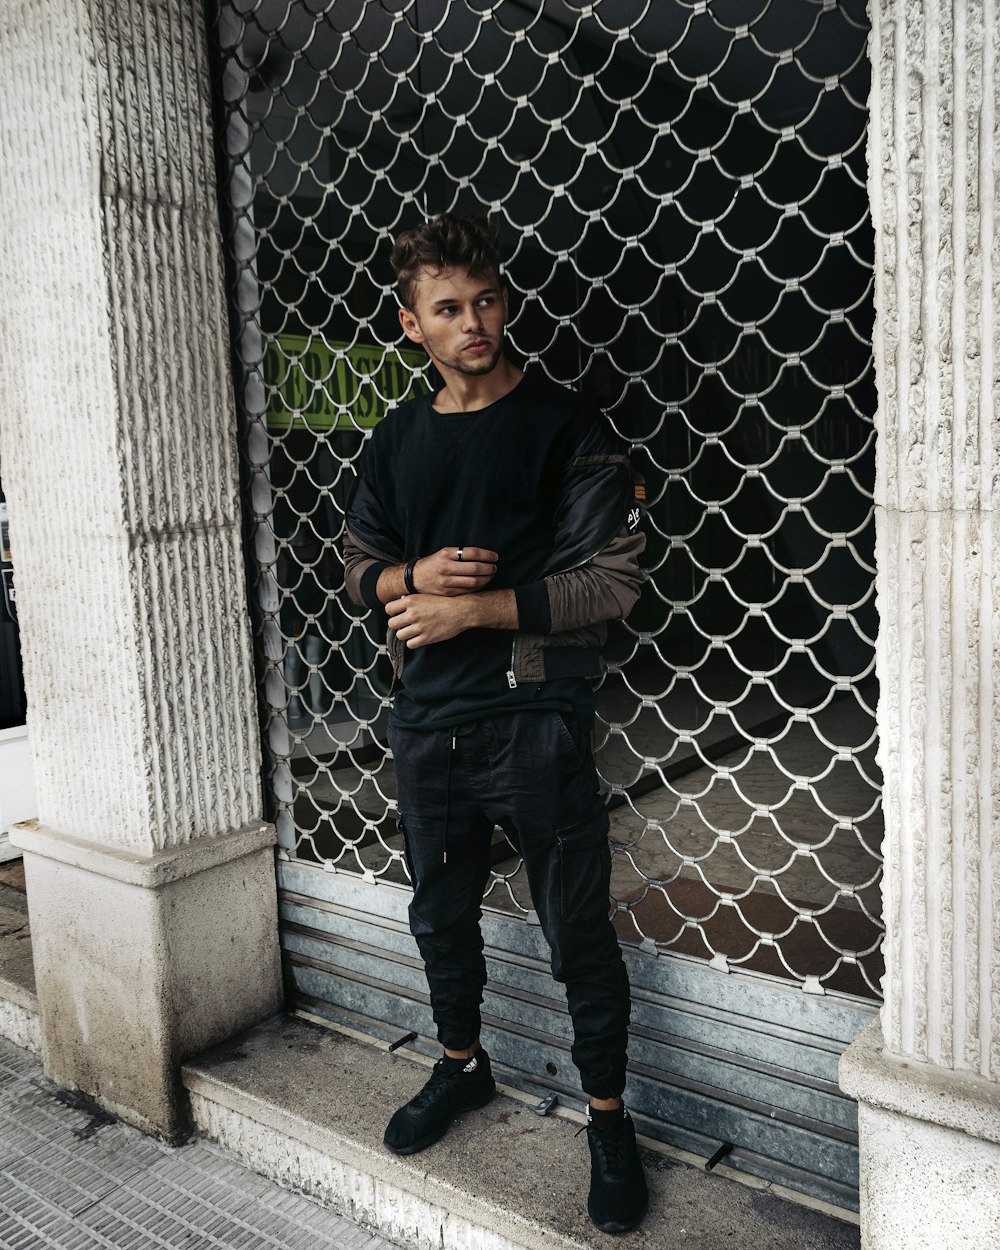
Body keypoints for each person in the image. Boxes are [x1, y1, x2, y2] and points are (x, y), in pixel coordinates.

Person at [343, 212, 648, 1233]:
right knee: (440, 916)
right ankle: (461, 1065)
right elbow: (354, 566)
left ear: (504, 301)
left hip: (535, 722)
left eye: (485, 300)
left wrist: (470, 606)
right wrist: (405, 576)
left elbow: (612, 581)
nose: (473, 321)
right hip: (426, 725)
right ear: (410, 324)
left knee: (574, 931)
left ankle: (607, 1116)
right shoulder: (395, 440)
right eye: (447, 308)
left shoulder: (563, 423)